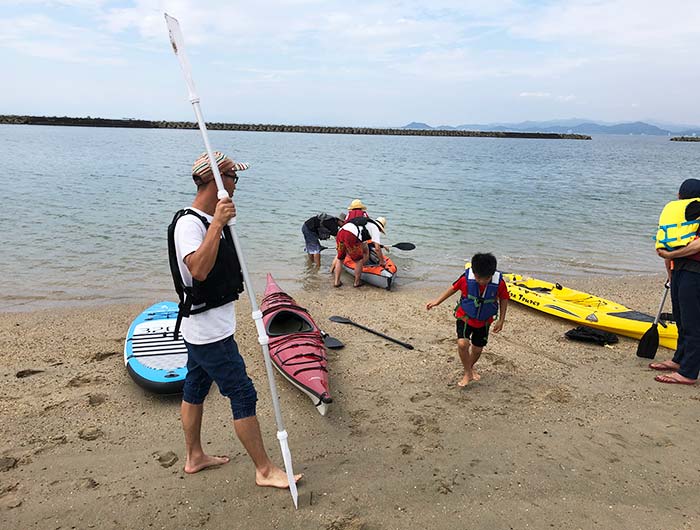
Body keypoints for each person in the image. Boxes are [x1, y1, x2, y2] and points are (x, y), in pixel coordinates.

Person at [168, 150, 302, 488]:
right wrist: (216, 224)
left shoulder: (211, 219)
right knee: (243, 394)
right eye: (233, 178)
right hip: (208, 331)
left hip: (206, 328)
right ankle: (264, 470)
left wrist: (220, 222)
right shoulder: (190, 223)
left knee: (196, 386)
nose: (236, 185)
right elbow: (197, 268)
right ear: (217, 180)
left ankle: (194, 456)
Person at [426, 253, 509, 386]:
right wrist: (437, 302)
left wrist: (501, 320)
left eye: (486, 278)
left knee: (477, 349)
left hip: (484, 321)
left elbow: (504, 299)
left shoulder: (499, 283)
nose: (481, 281)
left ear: (492, 275)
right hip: (465, 317)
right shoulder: (466, 279)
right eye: (478, 278)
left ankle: (469, 368)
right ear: (474, 273)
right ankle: (467, 372)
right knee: (462, 344)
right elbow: (453, 288)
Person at [650, 178, 700, 385]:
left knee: (692, 322)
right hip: (679, 270)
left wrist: (671, 254)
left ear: (680, 195)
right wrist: (669, 266)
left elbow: (697, 247)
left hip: (696, 272)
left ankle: (688, 372)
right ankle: (679, 360)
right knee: (680, 319)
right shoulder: (681, 216)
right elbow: (667, 245)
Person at [333, 216, 372, 288]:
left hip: (340, 234)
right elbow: (364, 243)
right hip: (350, 236)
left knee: (340, 258)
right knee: (359, 259)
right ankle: (356, 282)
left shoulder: (357, 222)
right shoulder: (370, 228)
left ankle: (336, 282)